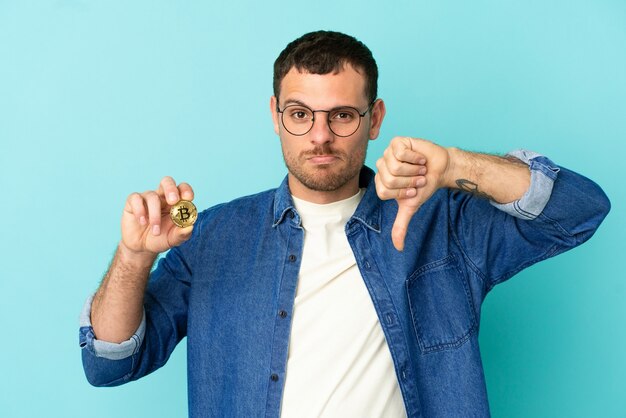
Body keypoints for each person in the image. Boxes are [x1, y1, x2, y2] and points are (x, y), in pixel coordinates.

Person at [79, 30, 610, 417]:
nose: (320, 136)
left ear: (374, 119)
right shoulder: (214, 236)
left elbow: (579, 210)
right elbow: (110, 362)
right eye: (300, 113)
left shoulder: (441, 224)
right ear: (275, 115)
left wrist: (455, 165)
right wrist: (135, 256)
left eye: (343, 115)